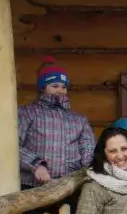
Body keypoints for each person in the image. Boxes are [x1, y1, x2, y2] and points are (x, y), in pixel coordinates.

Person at [18, 57, 93, 189]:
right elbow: (12, 147)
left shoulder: (79, 120)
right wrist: (36, 166)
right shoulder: (28, 113)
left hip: (69, 187)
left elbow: (88, 149)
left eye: (64, 87)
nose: (60, 90)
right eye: (54, 86)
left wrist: (87, 171)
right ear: (42, 87)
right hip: (33, 186)